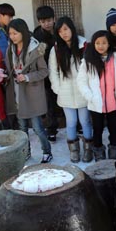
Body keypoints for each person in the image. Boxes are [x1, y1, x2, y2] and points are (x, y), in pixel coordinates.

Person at [4, 18, 52, 163]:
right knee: (22, 129)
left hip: (31, 94)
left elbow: (44, 71)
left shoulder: (35, 49)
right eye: (10, 33)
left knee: (37, 128)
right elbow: (10, 69)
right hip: (18, 93)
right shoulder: (10, 49)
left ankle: (47, 151)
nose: (12, 36)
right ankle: (26, 152)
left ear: (23, 33)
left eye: (15, 33)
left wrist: (27, 77)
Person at [76, 30, 116, 161]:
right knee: (98, 129)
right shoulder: (89, 61)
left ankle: (114, 149)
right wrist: (90, 96)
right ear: (93, 44)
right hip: (96, 103)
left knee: (113, 128)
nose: (101, 46)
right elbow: (81, 81)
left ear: (109, 43)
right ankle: (98, 150)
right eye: (97, 43)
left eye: (104, 42)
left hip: (113, 102)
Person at [48, 16, 93, 162]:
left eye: (66, 29)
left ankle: (88, 149)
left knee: (85, 120)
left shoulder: (83, 45)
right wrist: (57, 88)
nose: (64, 33)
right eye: (60, 31)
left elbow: (91, 69)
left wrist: (89, 88)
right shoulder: (56, 49)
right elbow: (52, 71)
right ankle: (74, 150)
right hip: (65, 92)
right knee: (71, 121)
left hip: (82, 91)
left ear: (72, 29)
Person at [33, 5, 59, 142]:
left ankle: (77, 125)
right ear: (39, 22)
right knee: (49, 102)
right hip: (46, 74)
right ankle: (52, 129)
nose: (47, 24)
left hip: (62, 70)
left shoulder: (60, 30)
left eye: (49, 20)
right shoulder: (37, 36)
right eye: (43, 21)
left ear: (54, 19)